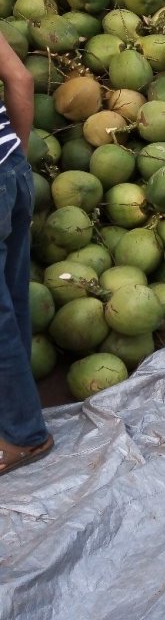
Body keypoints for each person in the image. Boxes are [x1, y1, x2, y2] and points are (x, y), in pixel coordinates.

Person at [0, 32, 52, 475]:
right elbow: (20, 79)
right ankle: (19, 403)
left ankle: (23, 435)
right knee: (12, 300)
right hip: (11, 170)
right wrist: (13, 154)